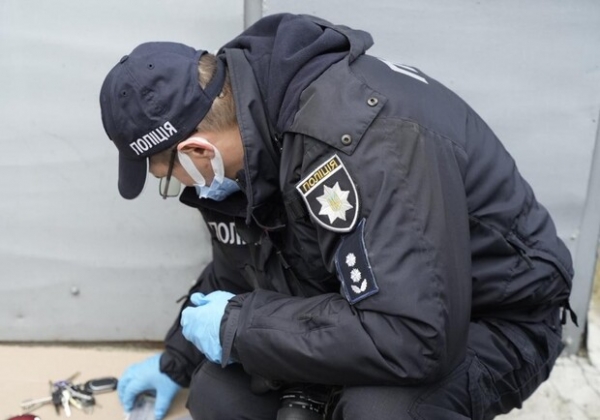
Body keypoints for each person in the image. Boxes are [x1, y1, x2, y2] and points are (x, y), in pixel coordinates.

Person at [99, 13, 577, 420]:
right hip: (363, 304)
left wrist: (241, 327)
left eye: (170, 177)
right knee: (218, 395)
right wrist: (177, 359)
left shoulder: (361, 142)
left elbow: (414, 337)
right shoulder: (249, 134)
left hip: (492, 318)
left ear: (197, 150)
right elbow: (244, 263)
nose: (182, 188)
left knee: (378, 411)